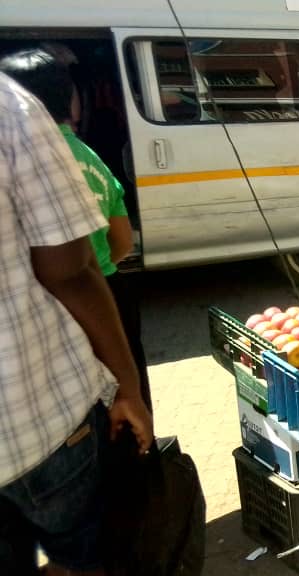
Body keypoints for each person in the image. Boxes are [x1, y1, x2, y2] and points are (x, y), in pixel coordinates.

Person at [0, 70, 154, 575]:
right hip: (39, 416)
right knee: (88, 553)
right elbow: (81, 264)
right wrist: (126, 385)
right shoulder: (15, 113)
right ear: (72, 104)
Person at [0, 48, 153, 411]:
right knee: (126, 400)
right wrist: (98, 263)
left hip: (55, 307)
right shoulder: (90, 157)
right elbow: (122, 240)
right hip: (111, 295)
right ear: (73, 102)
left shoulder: (18, 158)